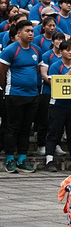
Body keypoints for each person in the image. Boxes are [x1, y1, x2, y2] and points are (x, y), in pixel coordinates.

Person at [0, 20, 42, 173]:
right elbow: (2, 72)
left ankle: (22, 160)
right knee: (13, 127)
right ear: (18, 33)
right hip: (15, 94)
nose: (30, 34)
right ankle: (10, 159)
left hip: (32, 95)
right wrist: (5, 89)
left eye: (32, 31)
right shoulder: (10, 50)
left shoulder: (36, 50)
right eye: (27, 31)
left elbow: (37, 69)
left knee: (26, 128)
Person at [44, 41, 71, 172]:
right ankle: (49, 159)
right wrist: (67, 76)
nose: (70, 52)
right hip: (58, 104)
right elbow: (54, 84)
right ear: (61, 52)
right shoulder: (55, 66)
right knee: (54, 132)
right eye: (67, 50)